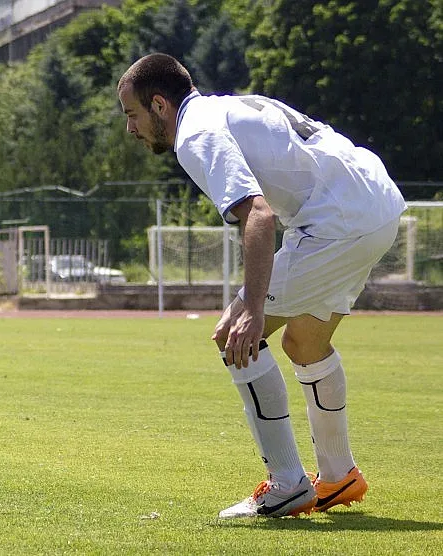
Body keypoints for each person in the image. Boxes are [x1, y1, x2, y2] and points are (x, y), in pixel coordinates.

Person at [118, 53, 406, 518]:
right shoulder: (225, 106)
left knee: (233, 336)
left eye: (132, 115)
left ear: (158, 105)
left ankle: (287, 484)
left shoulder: (195, 133)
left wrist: (252, 307)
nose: (130, 129)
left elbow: (258, 213)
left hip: (337, 221)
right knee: (305, 342)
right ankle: (338, 477)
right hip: (377, 201)